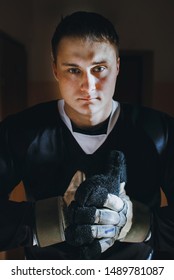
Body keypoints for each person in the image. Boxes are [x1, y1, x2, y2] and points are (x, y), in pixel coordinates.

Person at [0, 11, 174, 260]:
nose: (88, 86)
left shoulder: (160, 131)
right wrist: (50, 219)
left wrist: (138, 223)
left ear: (117, 66)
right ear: (55, 70)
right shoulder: (18, 131)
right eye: (73, 70)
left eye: (99, 68)